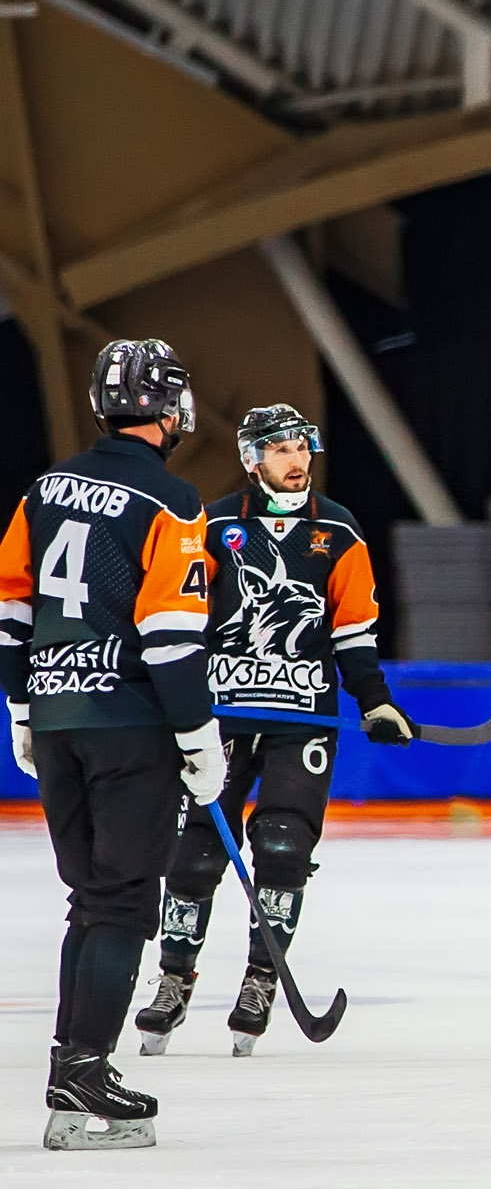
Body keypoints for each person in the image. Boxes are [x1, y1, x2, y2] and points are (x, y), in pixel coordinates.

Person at [133, 404, 411, 1058]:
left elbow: (353, 630)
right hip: (221, 720)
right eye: (280, 449)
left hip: (301, 719)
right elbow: (182, 617)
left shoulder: (337, 531)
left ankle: (261, 977)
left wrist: (375, 700)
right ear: (251, 458)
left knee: (283, 849)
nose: (296, 460)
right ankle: (175, 978)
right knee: (194, 854)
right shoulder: (214, 525)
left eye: (302, 447)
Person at [2, 339, 224, 1149]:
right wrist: (199, 735)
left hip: (58, 720)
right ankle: (86, 1068)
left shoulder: (45, 489)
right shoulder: (171, 500)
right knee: (126, 900)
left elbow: (11, 612)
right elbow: (169, 638)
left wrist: (23, 706)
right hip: (130, 724)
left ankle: (74, 1063)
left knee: (91, 897)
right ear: (169, 408)